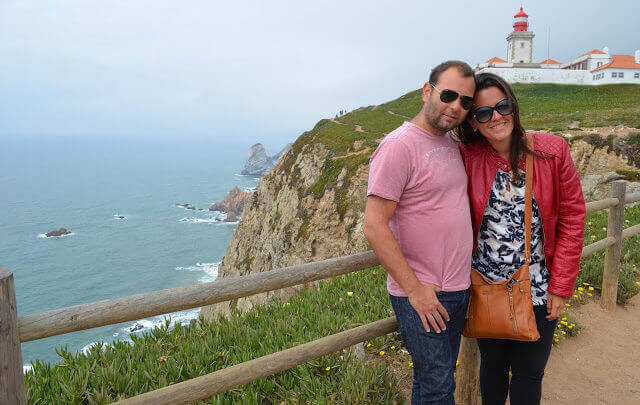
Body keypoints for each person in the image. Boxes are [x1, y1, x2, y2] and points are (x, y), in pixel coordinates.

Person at [457, 72, 586, 405]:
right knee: (493, 368)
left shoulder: (553, 151)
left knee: (530, 373)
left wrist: (561, 287)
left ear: (513, 105)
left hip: (539, 288)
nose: (496, 116)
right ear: (473, 122)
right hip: (487, 288)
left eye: (502, 106)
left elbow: (573, 217)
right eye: (484, 112)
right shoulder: (467, 158)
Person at [363, 60, 476, 404]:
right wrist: (415, 291)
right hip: (425, 293)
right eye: (449, 95)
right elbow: (373, 225)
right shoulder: (399, 145)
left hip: (456, 288)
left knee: (435, 382)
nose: (456, 106)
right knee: (437, 385)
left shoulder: (452, 143)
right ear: (427, 91)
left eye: (466, 101)